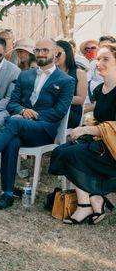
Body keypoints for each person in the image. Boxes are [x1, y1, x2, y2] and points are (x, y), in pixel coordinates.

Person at [0, 38, 75, 210]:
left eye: (45, 50)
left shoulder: (66, 80)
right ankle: (7, 194)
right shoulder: (25, 75)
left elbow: (59, 112)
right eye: (38, 50)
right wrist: (22, 111)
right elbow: (12, 103)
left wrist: (32, 116)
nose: (41, 53)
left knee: (13, 123)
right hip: (20, 126)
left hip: (43, 131)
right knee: (12, 140)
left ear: (56, 53)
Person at [48, 43, 116, 224]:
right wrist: (87, 125)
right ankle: (90, 200)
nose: (99, 62)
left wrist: (86, 129)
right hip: (100, 141)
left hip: (113, 148)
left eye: (106, 59)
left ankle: (89, 202)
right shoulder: (100, 90)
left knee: (73, 155)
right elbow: (100, 119)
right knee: (61, 151)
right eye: (99, 58)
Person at [55, 39, 87, 128]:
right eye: (53, 53)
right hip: (52, 110)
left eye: (58, 53)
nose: (55, 56)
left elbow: (81, 99)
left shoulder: (79, 73)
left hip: (71, 113)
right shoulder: (51, 72)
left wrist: (59, 97)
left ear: (67, 53)